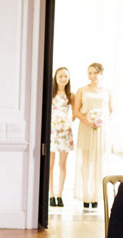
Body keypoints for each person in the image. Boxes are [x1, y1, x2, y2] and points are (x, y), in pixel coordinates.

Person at [73, 62, 113, 209]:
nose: (92, 76)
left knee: (99, 162)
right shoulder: (81, 90)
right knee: (86, 163)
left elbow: (111, 111)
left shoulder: (107, 90)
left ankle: (96, 196)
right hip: (85, 128)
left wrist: (103, 121)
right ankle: (86, 195)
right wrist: (88, 121)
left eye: (95, 72)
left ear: (101, 73)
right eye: (90, 73)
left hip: (101, 130)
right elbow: (76, 111)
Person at [49, 67, 74, 208]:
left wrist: (66, 122)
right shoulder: (51, 94)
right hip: (53, 132)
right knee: (50, 165)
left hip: (65, 132)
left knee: (62, 164)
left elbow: (75, 113)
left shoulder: (71, 95)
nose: (63, 78)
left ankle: (60, 194)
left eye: (66, 76)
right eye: (61, 76)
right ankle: (51, 194)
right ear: (56, 77)